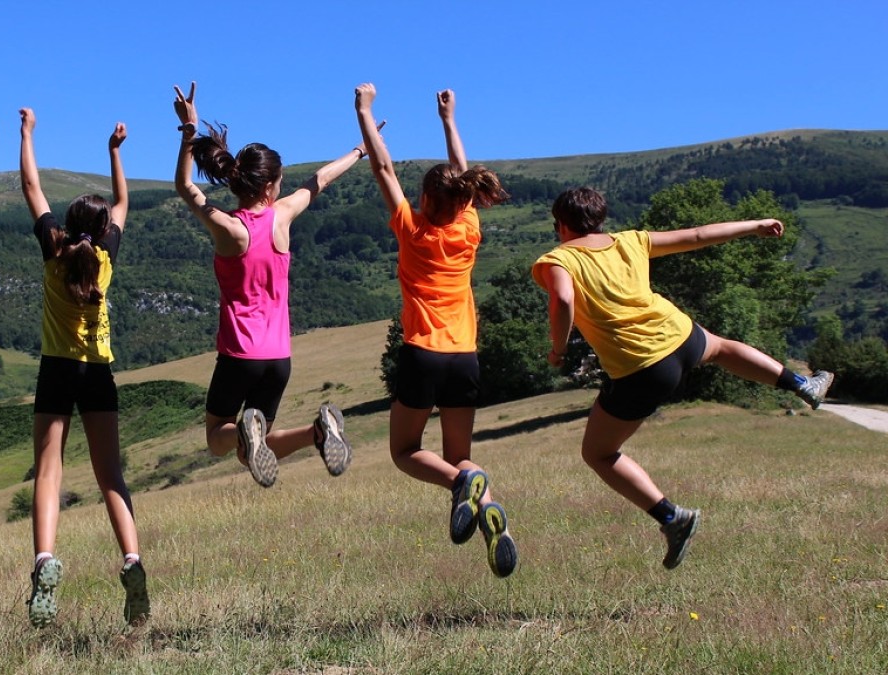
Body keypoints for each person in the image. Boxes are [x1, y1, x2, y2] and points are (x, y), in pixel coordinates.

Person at [531, 186, 835, 570]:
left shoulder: (558, 259)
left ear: (560, 224)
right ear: (601, 218)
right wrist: (755, 225)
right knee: (722, 347)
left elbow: (563, 300)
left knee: (599, 453)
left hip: (639, 365)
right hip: (679, 334)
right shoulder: (630, 241)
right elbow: (696, 236)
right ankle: (800, 383)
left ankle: (672, 518)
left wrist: (558, 350)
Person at [354, 83, 518, 578]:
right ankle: (497, 527)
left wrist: (364, 110)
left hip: (423, 352)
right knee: (462, 459)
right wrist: (449, 120)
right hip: (464, 356)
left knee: (404, 451)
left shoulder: (412, 228)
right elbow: (462, 177)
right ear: (465, 199)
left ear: (424, 197)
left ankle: (459, 489)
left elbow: (382, 168)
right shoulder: (468, 231)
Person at [172, 81, 355, 488]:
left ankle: (246, 430)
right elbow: (320, 179)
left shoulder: (229, 229)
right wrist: (361, 149)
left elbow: (185, 187)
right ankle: (318, 432)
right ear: (272, 186)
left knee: (220, 439)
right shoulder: (283, 216)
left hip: (240, 354)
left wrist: (189, 130)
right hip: (278, 358)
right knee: (256, 445)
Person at [18, 108, 149, 627]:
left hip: (55, 369)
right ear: (100, 230)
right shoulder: (105, 260)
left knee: (48, 473)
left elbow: (31, 184)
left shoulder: (55, 254)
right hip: (98, 372)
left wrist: (27, 133)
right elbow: (122, 202)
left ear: (65, 226)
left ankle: (45, 561)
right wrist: (115, 150)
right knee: (110, 475)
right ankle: (133, 559)